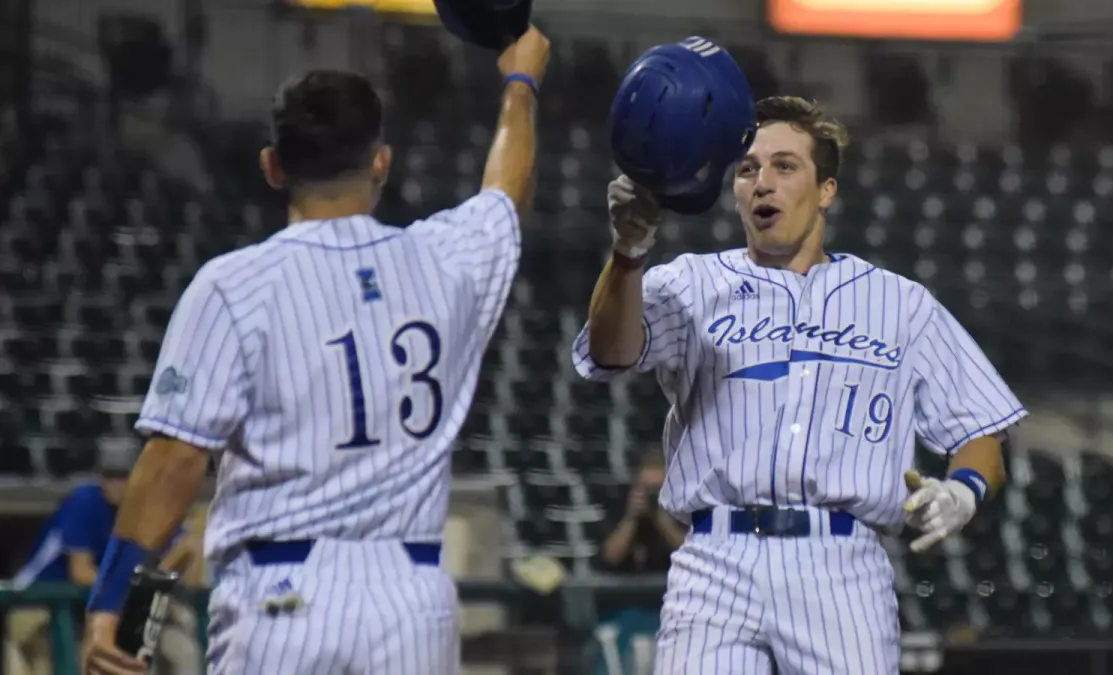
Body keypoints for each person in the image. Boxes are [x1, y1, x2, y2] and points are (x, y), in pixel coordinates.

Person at [81, 27, 550, 675]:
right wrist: (520, 82)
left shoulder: (234, 283)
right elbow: (506, 193)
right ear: (381, 161)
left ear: (272, 165)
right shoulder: (446, 259)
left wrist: (112, 598)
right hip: (411, 601)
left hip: (283, 596)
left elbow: (174, 461)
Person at [572, 95, 1026, 674]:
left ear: (827, 190)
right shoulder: (691, 282)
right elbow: (608, 353)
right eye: (748, 169)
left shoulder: (900, 304)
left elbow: (984, 431)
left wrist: (963, 491)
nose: (763, 182)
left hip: (841, 567)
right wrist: (629, 251)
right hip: (714, 558)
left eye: (785, 166)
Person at [6, 470, 191, 675]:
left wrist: (179, 553)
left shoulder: (148, 505)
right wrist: (136, 591)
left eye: (122, 476)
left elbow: (183, 555)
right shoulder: (86, 500)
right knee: (58, 661)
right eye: (109, 475)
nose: (115, 484)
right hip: (32, 599)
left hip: (89, 609)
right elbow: (81, 572)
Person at [593, 452, 684, 675]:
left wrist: (661, 518)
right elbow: (610, 555)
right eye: (647, 489)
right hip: (625, 610)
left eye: (658, 489)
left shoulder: (680, 513)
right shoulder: (621, 512)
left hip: (668, 610)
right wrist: (632, 518)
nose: (652, 496)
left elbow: (686, 551)